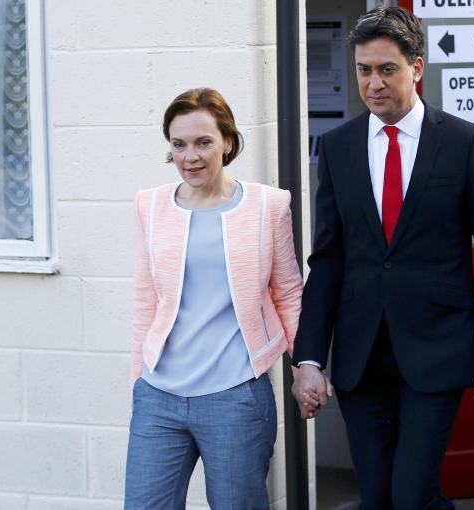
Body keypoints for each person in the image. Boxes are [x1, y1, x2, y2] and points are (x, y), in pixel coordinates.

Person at [291, 6, 474, 510]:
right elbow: (326, 261)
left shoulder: (462, 143)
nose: (373, 83)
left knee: (412, 496)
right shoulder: (337, 148)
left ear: (417, 68)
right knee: (377, 498)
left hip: (437, 350)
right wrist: (308, 357)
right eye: (363, 70)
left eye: (386, 69)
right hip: (359, 358)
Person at [124, 88, 303, 509]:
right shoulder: (150, 206)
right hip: (159, 396)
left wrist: (304, 366)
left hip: (236, 395)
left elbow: (289, 293)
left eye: (203, 142)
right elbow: (144, 299)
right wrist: (138, 379)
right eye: (179, 144)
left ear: (227, 140)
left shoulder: (268, 206)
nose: (191, 156)